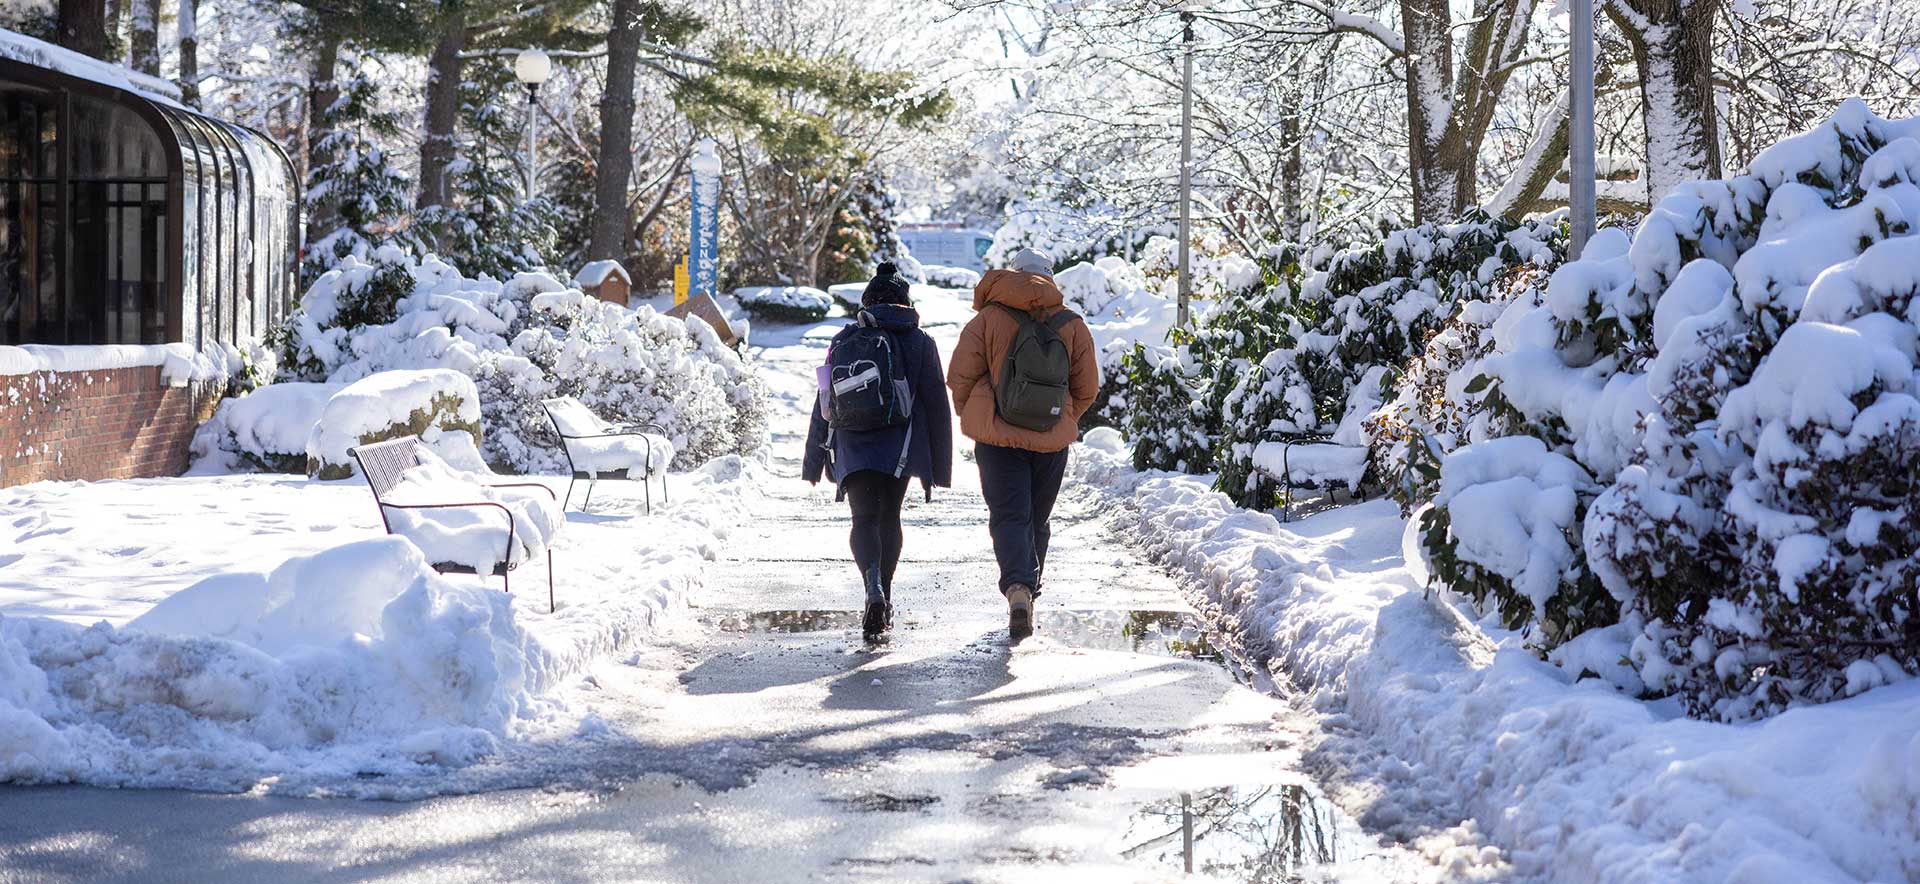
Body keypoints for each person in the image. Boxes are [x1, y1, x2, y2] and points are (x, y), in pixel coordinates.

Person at [947, 248, 1099, 640]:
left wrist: (980, 413)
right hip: (1052, 442)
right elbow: (1087, 388)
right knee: (1037, 518)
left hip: (997, 440)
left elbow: (959, 376)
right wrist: (1060, 416)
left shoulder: (987, 319)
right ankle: (1030, 588)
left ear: (1012, 275)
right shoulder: (1073, 324)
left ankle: (1018, 588)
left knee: (1009, 515)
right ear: (1050, 278)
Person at [803, 262, 953, 640]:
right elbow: (936, 403)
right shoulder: (921, 342)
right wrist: (940, 467)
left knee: (863, 519)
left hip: (852, 444)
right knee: (890, 518)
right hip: (900, 448)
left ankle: (872, 589)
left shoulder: (842, 339)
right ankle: (884, 596)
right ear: (905, 302)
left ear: (868, 301)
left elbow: (823, 397)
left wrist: (814, 460)